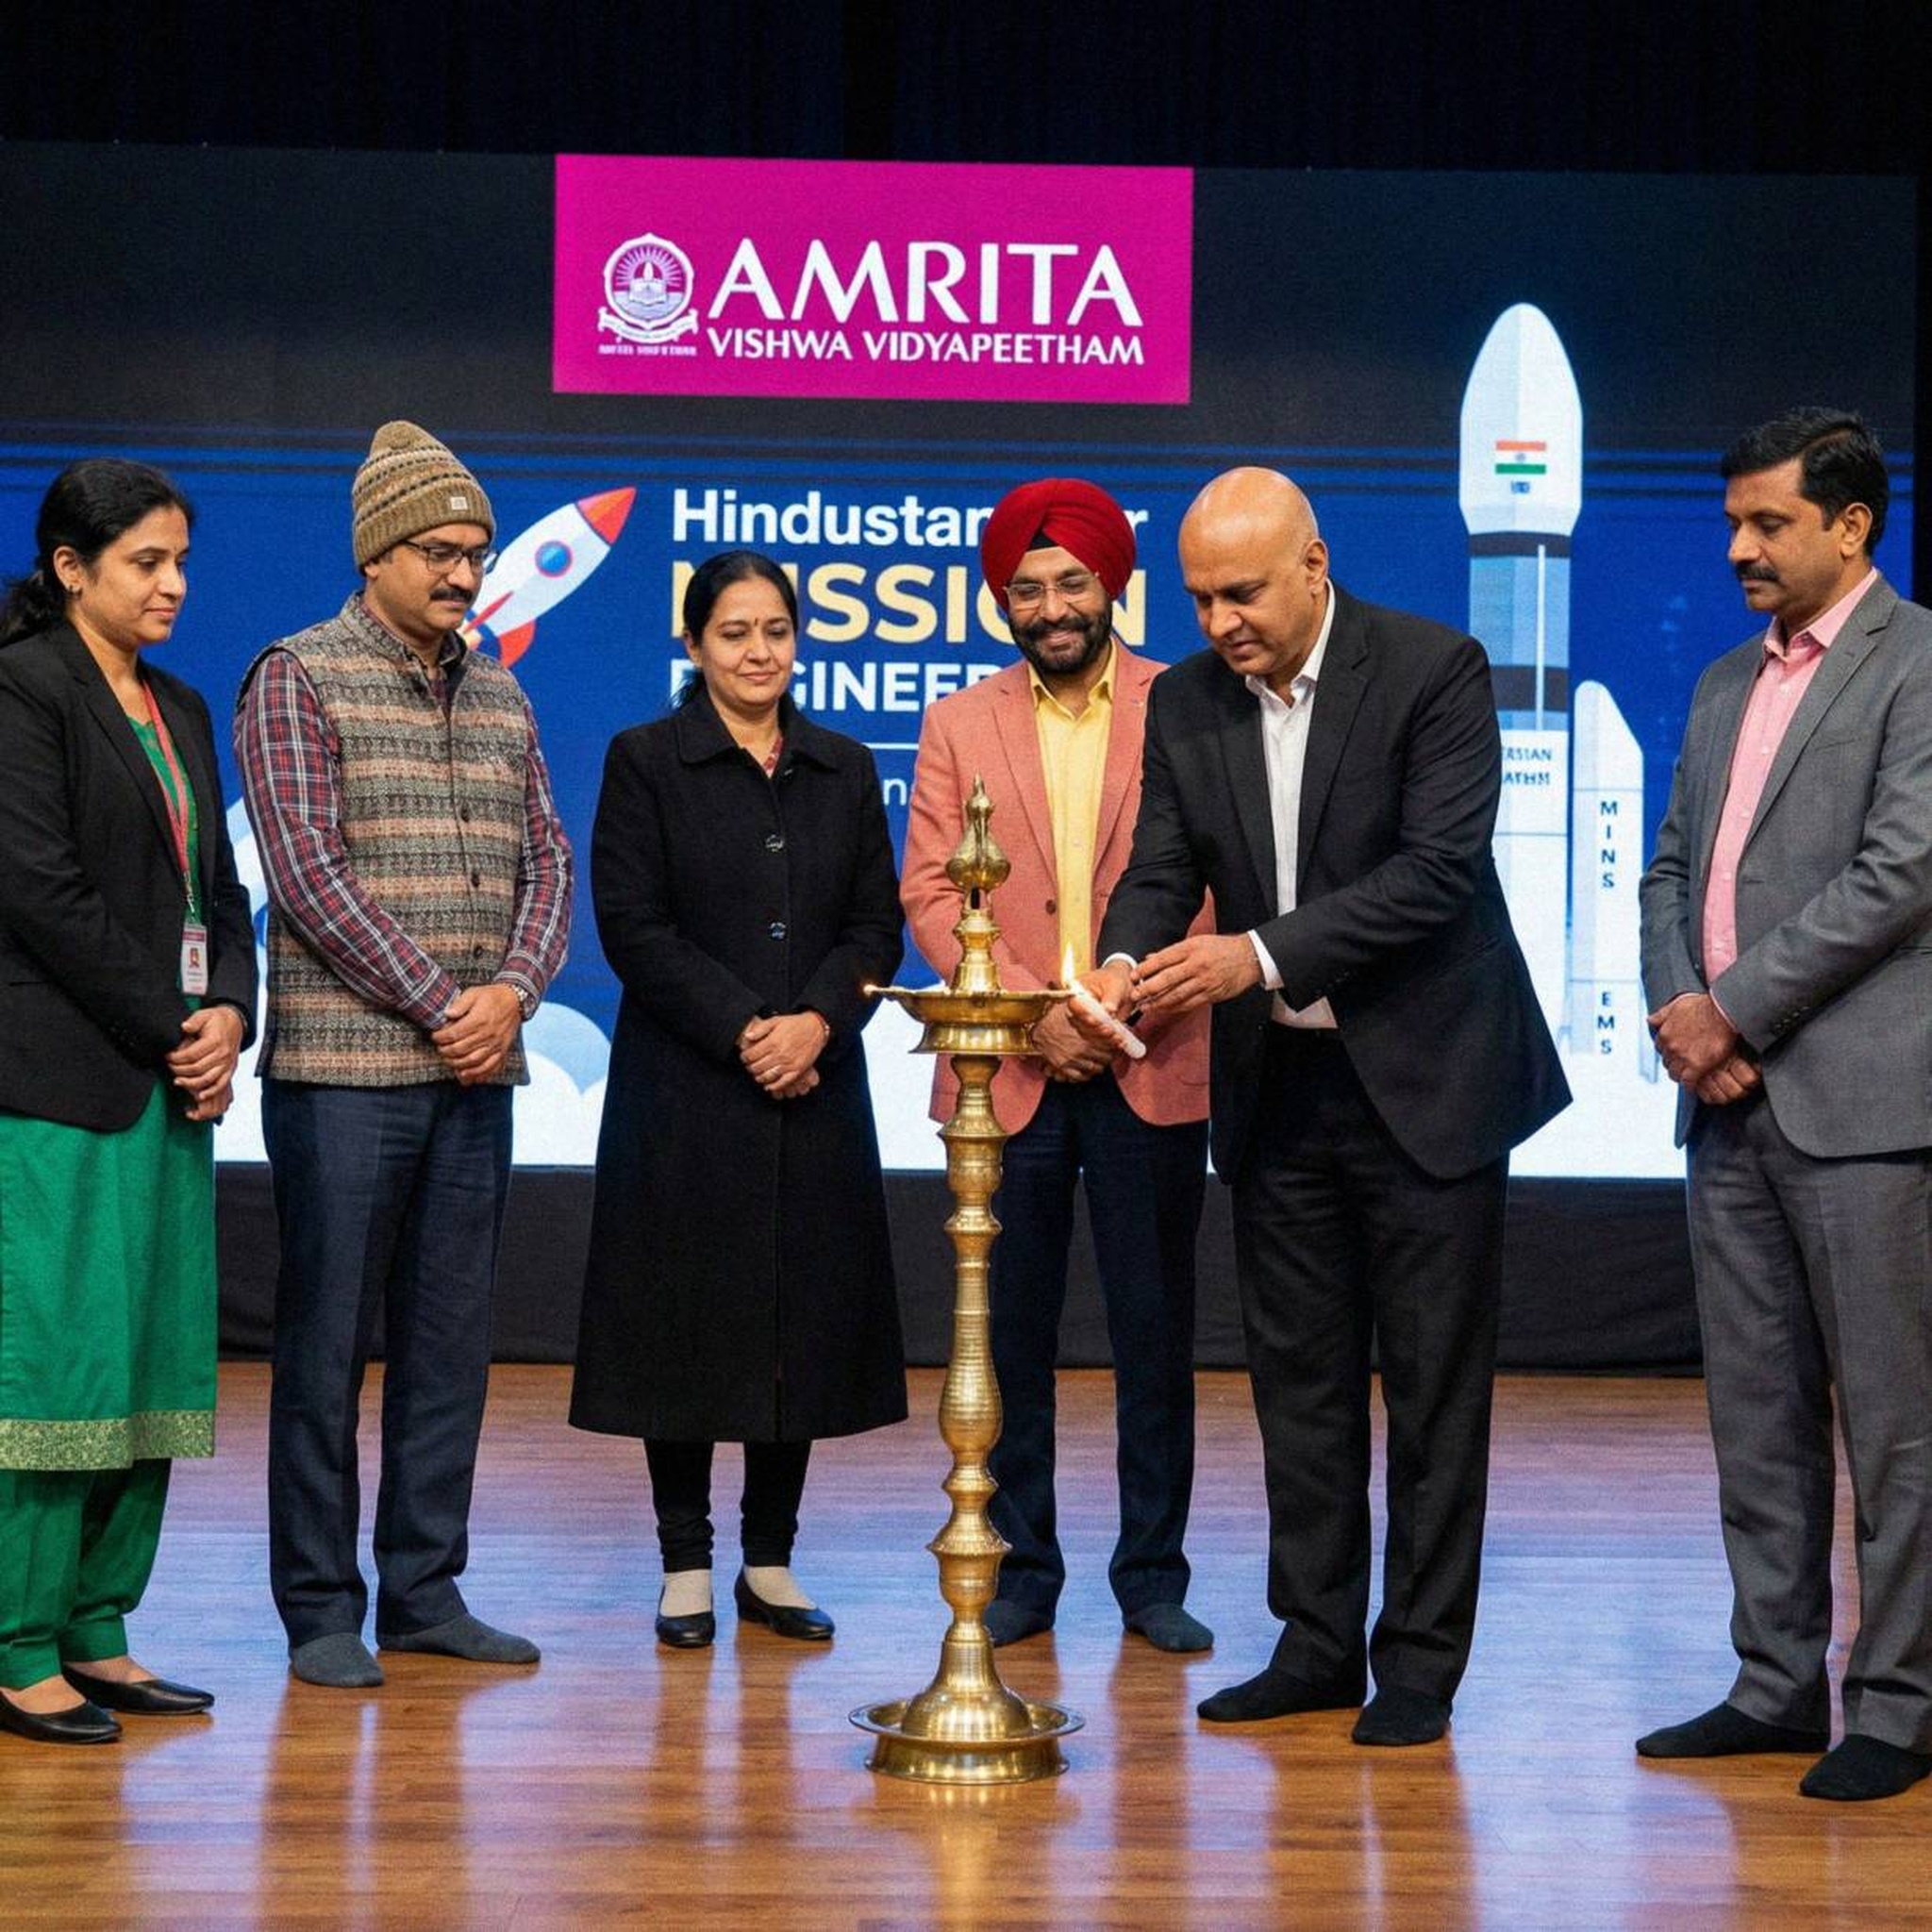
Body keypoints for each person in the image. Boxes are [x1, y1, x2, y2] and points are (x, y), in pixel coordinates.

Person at [1080, 466, 1567, 1745]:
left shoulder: (1432, 669)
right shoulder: (1185, 698)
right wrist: (1123, 962)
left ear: (1313, 565)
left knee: (1433, 1391)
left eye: (1241, 593)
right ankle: (1313, 1644)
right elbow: (1162, 865)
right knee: (1296, 1385)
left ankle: (1417, 1665)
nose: (1218, 621)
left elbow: (1436, 873)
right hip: (1281, 1088)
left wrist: (1254, 957)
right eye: (1198, 598)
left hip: (1428, 1081)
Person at [236, 422, 572, 1690]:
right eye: (436, 549)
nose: (462, 572)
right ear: (374, 553)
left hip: (476, 1072)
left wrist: (514, 993)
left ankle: (426, 1593)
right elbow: (307, 875)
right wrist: (445, 1002)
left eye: (475, 551)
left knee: (449, 1344)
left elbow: (551, 861)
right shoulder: (298, 675)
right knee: (326, 1346)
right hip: (345, 1075)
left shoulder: (501, 690)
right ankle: (321, 1607)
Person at [1636, 409, 1932, 1803]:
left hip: (1863, 1108)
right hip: (1725, 1107)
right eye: (1732, 523)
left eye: (1769, 523)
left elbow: (1900, 872)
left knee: (1894, 1426)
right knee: (1754, 1416)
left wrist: (1734, 1008)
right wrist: (1680, 1013)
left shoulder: (1918, 660)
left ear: (1851, 525)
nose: (1738, 548)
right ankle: (1772, 1684)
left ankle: (1900, 1703)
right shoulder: (1718, 682)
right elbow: (1669, 868)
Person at [570, 550, 907, 1648]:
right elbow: (632, 925)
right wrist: (747, 1028)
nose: (759, 651)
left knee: (791, 1322)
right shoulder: (645, 759)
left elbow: (876, 926)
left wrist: (816, 1023)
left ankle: (769, 1559)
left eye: (775, 630)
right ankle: (683, 1561)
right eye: (734, 632)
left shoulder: (843, 765)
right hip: (687, 1086)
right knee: (683, 1323)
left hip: (816, 1079)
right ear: (693, 642)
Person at [902, 478, 1213, 1653]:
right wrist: (1036, 1017)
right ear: (1002, 602)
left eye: (1070, 582)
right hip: (1007, 1069)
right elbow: (930, 890)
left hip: (1150, 1047)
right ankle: (1020, 1569)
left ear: (1111, 585)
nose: (1050, 607)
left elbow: (1211, 876)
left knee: (1154, 1333)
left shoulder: (1186, 704)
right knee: (1004, 1333)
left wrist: (1113, 1003)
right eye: (1025, 589)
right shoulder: (956, 720)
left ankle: (1152, 1575)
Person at [0, 458, 256, 1745]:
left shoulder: (183, 705)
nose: (173, 585)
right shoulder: (21, 686)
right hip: (61, 1083)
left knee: (150, 1362)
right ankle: (16, 1641)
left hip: (173, 1086)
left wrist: (231, 1015)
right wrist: (172, 1025)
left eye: (181, 562)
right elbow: (38, 890)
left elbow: (224, 891)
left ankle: (98, 1625)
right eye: (147, 562)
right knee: (60, 1366)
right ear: (70, 568)